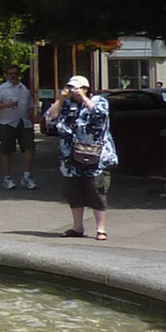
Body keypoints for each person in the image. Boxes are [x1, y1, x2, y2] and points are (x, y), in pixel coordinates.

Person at [46, 75, 117, 240]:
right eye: (71, 88)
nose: (74, 92)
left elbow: (100, 115)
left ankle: (101, 229)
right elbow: (50, 116)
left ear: (86, 88)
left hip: (95, 156)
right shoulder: (67, 104)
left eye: (77, 88)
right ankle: (78, 227)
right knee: (73, 192)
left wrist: (84, 99)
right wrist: (61, 99)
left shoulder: (98, 101)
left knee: (96, 190)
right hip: (69, 156)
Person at [0, 64, 37, 190]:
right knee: (7, 151)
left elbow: (30, 107)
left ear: (19, 75)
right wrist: (6, 105)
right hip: (7, 123)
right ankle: (7, 178)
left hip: (24, 123)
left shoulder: (25, 90)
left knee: (30, 148)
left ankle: (27, 175)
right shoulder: (1, 89)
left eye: (15, 73)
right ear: (6, 75)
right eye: (10, 74)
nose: (13, 76)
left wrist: (32, 122)